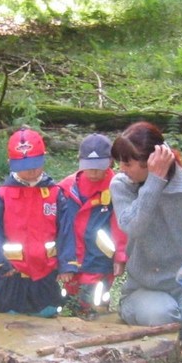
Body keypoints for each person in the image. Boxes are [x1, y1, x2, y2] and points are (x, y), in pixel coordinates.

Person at [110, 122, 182, 345]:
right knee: (161, 316)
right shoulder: (122, 185)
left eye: (127, 163)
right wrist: (154, 183)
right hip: (143, 287)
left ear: (151, 161)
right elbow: (133, 225)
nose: (121, 169)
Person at [0, 128, 72, 317]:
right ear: (11, 164)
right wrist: (0, 264)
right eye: (23, 165)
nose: (31, 170)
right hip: (13, 271)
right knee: (10, 314)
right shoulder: (4, 194)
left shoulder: (55, 194)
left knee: (47, 312)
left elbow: (66, 230)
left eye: (35, 164)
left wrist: (66, 264)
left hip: (45, 268)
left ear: (44, 158)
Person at [58, 133, 128, 316]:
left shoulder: (116, 186)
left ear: (111, 163)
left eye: (99, 168)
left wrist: (120, 256)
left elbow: (121, 225)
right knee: (71, 301)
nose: (94, 172)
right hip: (72, 257)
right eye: (89, 168)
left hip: (100, 259)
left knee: (97, 303)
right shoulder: (66, 188)